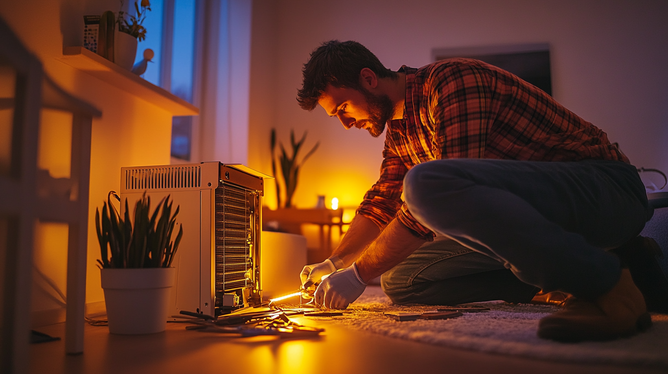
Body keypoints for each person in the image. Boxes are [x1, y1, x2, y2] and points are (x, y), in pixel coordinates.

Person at [296, 40, 668, 342]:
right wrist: (336, 263)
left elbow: (446, 191)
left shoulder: (451, 82)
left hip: (607, 190)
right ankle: (609, 265)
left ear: (368, 79)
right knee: (401, 280)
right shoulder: (399, 131)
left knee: (426, 184)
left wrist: (359, 275)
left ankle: (606, 285)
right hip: (540, 215)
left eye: (343, 108)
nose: (345, 124)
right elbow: (381, 201)